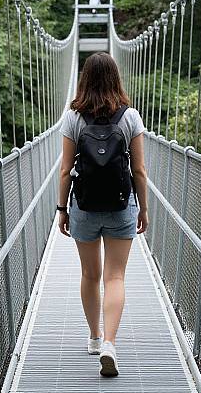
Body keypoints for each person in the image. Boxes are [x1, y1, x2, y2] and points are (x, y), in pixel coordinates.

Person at [57, 52, 149, 377]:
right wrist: (144, 209)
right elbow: (138, 170)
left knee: (90, 275)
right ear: (116, 78)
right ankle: (110, 342)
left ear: (84, 79)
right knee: (115, 277)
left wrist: (61, 210)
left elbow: (66, 170)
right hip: (121, 205)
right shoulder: (130, 117)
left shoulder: (73, 117)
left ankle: (95, 337)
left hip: (83, 206)